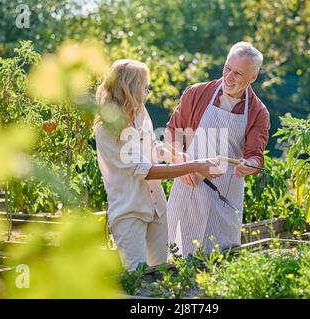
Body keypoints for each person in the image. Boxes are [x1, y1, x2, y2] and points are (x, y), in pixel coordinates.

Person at [94, 59, 223, 270]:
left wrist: (176, 155)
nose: (148, 91)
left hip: (156, 207)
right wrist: (195, 166)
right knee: (137, 278)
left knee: (159, 273)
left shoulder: (140, 113)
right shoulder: (109, 128)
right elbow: (145, 171)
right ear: (131, 88)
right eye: (145, 86)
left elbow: (152, 145)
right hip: (129, 212)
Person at [165, 42, 270, 257]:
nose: (229, 77)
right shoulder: (197, 93)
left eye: (238, 73)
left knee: (220, 259)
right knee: (175, 257)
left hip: (224, 194)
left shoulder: (258, 111)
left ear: (253, 78)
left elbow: (255, 155)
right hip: (189, 186)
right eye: (227, 68)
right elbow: (172, 132)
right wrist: (179, 162)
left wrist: (251, 165)